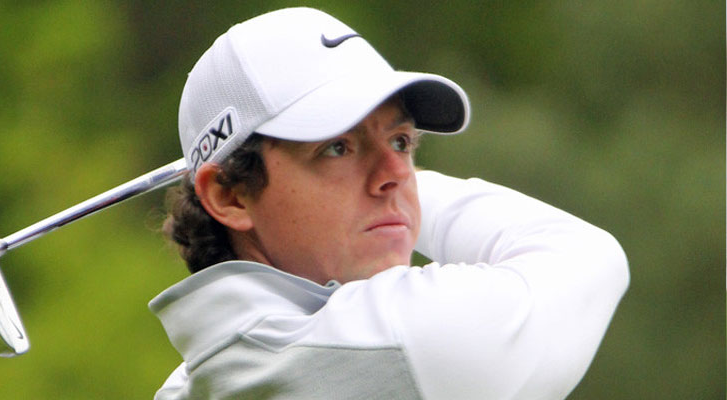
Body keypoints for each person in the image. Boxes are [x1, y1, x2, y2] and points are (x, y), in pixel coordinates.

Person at [150, 7, 629, 400]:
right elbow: (587, 256)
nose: (396, 175)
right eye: (337, 147)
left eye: (401, 142)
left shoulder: (191, 382)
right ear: (229, 196)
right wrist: (404, 196)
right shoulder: (400, 342)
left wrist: (380, 190)